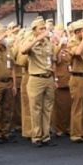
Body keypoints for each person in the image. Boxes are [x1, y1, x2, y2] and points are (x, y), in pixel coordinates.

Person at [19, 17, 56, 146]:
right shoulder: (31, 41)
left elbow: (52, 59)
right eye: (41, 28)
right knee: (35, 109)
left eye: (44, 28)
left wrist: (54, 77)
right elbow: (23, 50)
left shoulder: (48, 43)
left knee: (47, 108)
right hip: (36, 78)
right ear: (34, 30)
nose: (44, 31)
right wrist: (37, 39)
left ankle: (46, 136)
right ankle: (36, 136)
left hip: (48, 77)